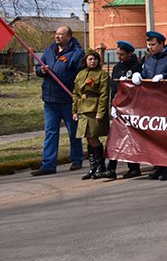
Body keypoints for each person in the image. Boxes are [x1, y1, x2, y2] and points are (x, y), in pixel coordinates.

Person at [32, 25, 84, 176]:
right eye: (56, 33)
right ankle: (48, 164)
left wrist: (77, 95)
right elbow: (37, 67)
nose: (57, 36)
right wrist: (40, 70)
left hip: (68, 99)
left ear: (69, 36)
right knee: (50, 133)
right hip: (50, 100)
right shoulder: (49, 51)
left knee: (73, 132)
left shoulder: (76, 53)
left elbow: (80, 76)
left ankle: (76, 159)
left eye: (61, 34)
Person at [131, 30, 167, 180]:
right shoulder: (148, 59)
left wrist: (165, 76)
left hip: (166, 101)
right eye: (149, 44)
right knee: (154, 135)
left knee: (166, 136)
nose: (150, 47)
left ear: (161, 44)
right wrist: (138, 74)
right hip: (150, 102)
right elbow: (145, 73)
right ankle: (158, 166)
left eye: (153, 44)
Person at [103, 41, 142, 179]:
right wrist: (113, 105)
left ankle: (134, 168)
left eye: (122, 54)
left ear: (130, 54)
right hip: (119, 107)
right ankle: (111, 168)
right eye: (117, 54)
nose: (119, 57)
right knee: (115, 137)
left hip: (132, 108)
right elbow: (113, 88)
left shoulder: (136, 66)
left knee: (130, 138)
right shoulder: (116, 68)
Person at [72, 49, 111, 180]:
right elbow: (76, 94)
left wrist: (101, 112)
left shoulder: (102, 75)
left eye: (95, 59)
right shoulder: (80, 74)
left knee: (93, 137)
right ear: (86, 61)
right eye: (90, 59)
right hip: (83, 110)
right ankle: (92, 168)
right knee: (88, 138)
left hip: (94, 110)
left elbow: (104, 95)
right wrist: (74, 111)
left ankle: (101, 166)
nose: (93, 61)